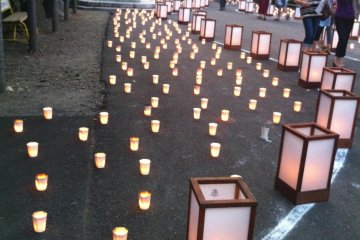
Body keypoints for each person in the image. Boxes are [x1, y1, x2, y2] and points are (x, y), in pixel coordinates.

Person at [333, 0, 359, 67]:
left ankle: (338, 57)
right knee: (342, 38)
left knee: (345, 38)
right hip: (339, 16)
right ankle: (339, 58)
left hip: (350, 16)